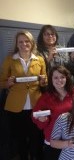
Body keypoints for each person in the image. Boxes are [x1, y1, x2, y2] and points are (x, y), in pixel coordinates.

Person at [0, 30, 47, 160]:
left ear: (32, 43)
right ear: (16, 43)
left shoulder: (40, 59)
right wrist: (8, 83)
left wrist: (43, 81)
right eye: (20, 41)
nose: (24, 44)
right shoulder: (10, 59)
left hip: (36, 105)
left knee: (36, 139)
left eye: (27, 41)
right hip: (15, 107)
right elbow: (1, 82)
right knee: (19, 139)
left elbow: (45, 81)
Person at [32, 65, 74, 160]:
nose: (59, 80)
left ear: (67, 78)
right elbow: (36, 120)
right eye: (56, 77)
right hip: (52, 142)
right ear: (51, 80)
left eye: (62, 77)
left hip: (72, 140)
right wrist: (42, 120)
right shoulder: (45, 97)